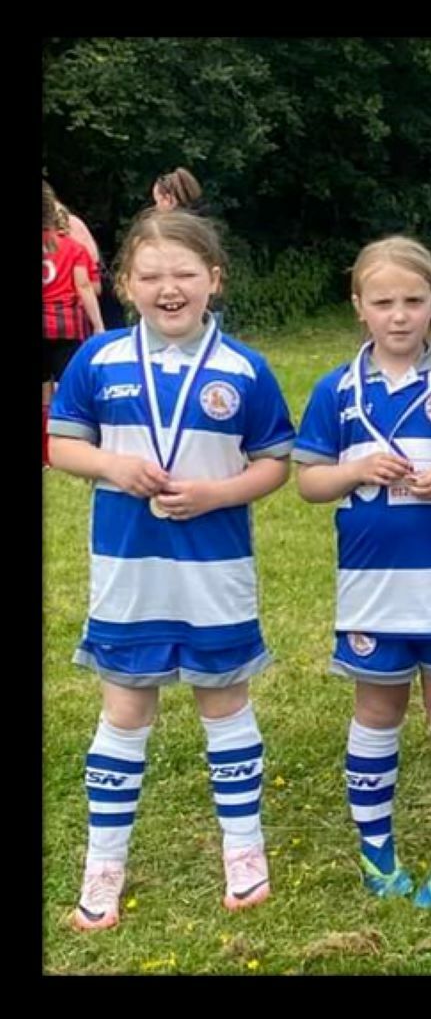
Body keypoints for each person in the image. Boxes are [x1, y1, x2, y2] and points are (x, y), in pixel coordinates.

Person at [48, 208, 296, 930]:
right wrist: (113, 466)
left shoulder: (244, 369)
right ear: (124, 283)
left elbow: (274, 462)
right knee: (124, 712)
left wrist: (219, 493)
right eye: (151, 275)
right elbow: (63, 448)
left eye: (184, 273)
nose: (168, 288)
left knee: (226, 707)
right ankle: (104, 863)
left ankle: (244, 851)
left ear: (213, 281)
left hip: (214, 575)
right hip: (128, 574)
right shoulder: (97, 362)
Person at [293, 237, 431, 907]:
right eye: (383, 302)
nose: (399, 315)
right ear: (359, 307)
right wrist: (351, 471)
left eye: (413, 300)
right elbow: (310, 484)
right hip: (372, 591)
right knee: (376, 709)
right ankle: (374, 845)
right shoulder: (336, 391)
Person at [43, 180, 105, 464]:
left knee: (43, 393)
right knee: (69, 388)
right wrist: (99, 325)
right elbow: (85, 288)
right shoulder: (74, 248)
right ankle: (76, 444)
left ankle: (46, 453)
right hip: (66, 326)